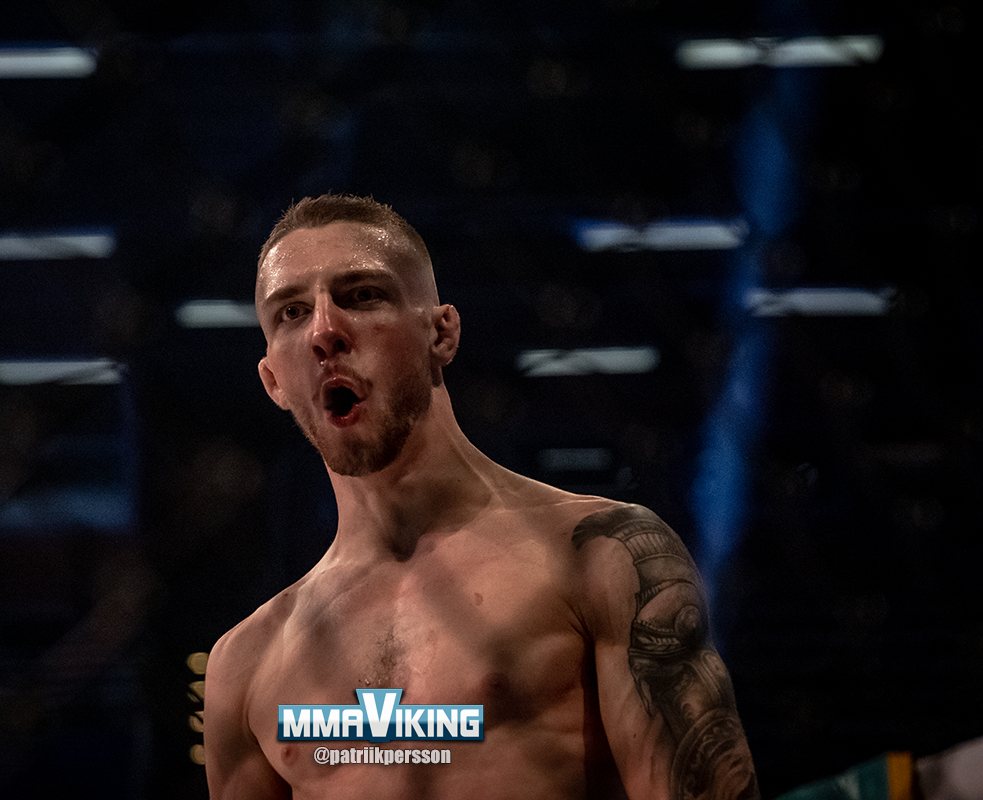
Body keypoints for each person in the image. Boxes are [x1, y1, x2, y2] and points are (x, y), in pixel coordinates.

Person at [203, 193, 759, 800]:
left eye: (361, 295)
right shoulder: (246, 664)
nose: (324, 331)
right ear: (273, 381)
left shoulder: (601, 555)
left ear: (441, 333)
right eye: (291, 312)